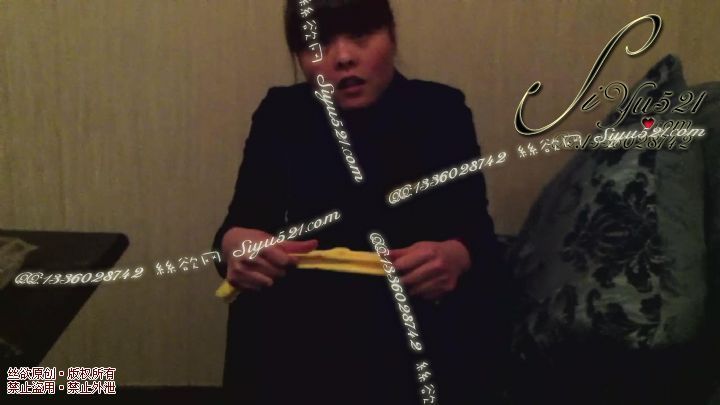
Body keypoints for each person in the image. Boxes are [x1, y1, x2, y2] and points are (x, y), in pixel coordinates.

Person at [212, 1, 509, 403]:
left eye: (360, 35)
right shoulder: (282, 114)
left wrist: (455, 255)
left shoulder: (440, 110)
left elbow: (476, 235)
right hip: (305, 321)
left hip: (411, 318)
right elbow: (237, 228)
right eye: (316, 44)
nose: (343, 57)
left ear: (391, 35)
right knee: (256, 309)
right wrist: (238, 246)